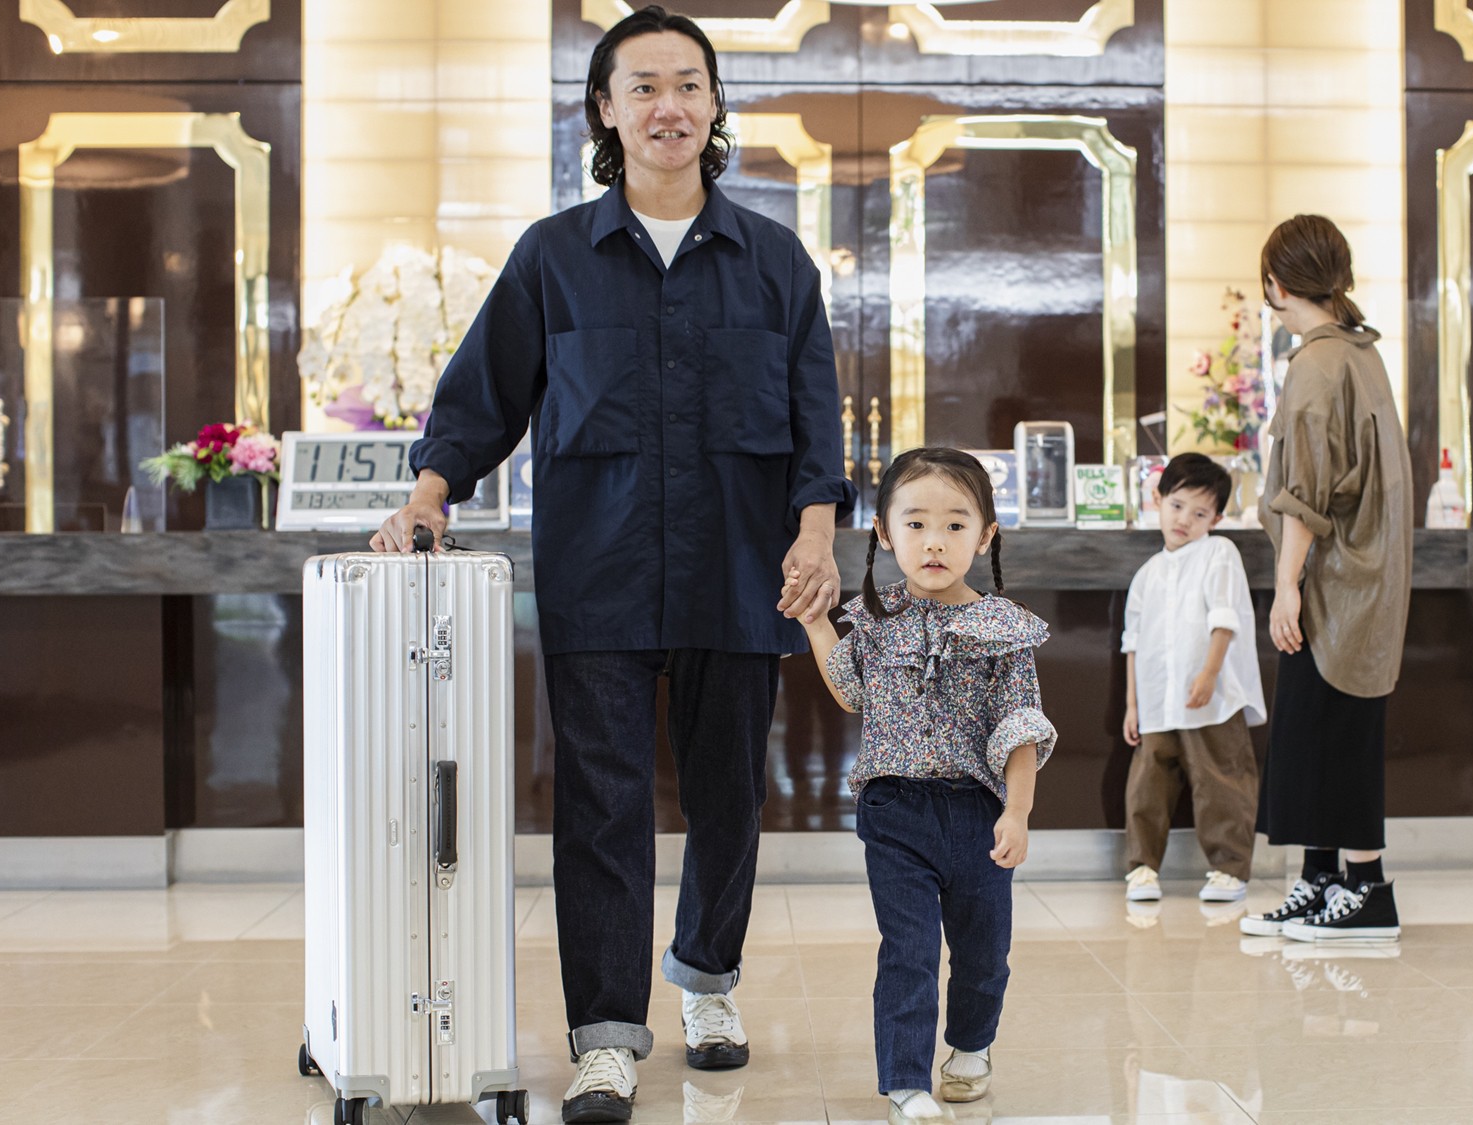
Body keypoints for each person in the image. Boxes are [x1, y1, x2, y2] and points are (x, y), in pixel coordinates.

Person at [371, 7, 854, 1121]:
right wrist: (428, 494)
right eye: (642, 87)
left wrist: (817, 529)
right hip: (596, 573)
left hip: (742, 573)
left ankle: (710, 982)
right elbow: (480, 394)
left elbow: (812, 421)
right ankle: (602, 1036)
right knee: (599, 806)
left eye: (687, 84)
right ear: (605, 109)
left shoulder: (775, 262)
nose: (667, 106)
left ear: (716, 104)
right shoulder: (552, 259)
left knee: (731, 795)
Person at [796, 447, 1055, 1125]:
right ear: (884, 532)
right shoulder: (875, 620)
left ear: (986, 534)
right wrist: (815, 621)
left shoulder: (1005, 631)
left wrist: (1019, 812)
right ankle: (906, 1079)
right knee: (907, 950)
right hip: (894, 810)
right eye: (914, 524)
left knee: (982, 952)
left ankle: (970, 1046)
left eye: (954, 524)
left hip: (978, 812)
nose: (933, 541)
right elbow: (850, 692)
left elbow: (1021, 728)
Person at [1239, 214, 1412, 944]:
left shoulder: (1316, 363)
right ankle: (1319, 881)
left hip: (1333, 582)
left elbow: (1305, 493)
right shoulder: (1361, 352)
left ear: (1277, 284)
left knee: (1334, 732)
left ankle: (1367, 887)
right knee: (1310, 731)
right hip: (1363, 578)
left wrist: (1285, 585)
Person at [1120, 453, 1266, 906]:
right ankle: (1142, 867)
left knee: (1221, 779)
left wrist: (1208, 673)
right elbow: (1134, 643)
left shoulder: (1218, 552)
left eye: (1200, 513)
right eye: (1177, 505)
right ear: (1157, 499)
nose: (1184, 519)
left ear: (1216, 518)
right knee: (1149, 783)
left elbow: (1225, 620)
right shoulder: (1147, 574)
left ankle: (1229, 868)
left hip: (1212, 696)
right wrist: (1133, 704)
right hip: (1158, 700)